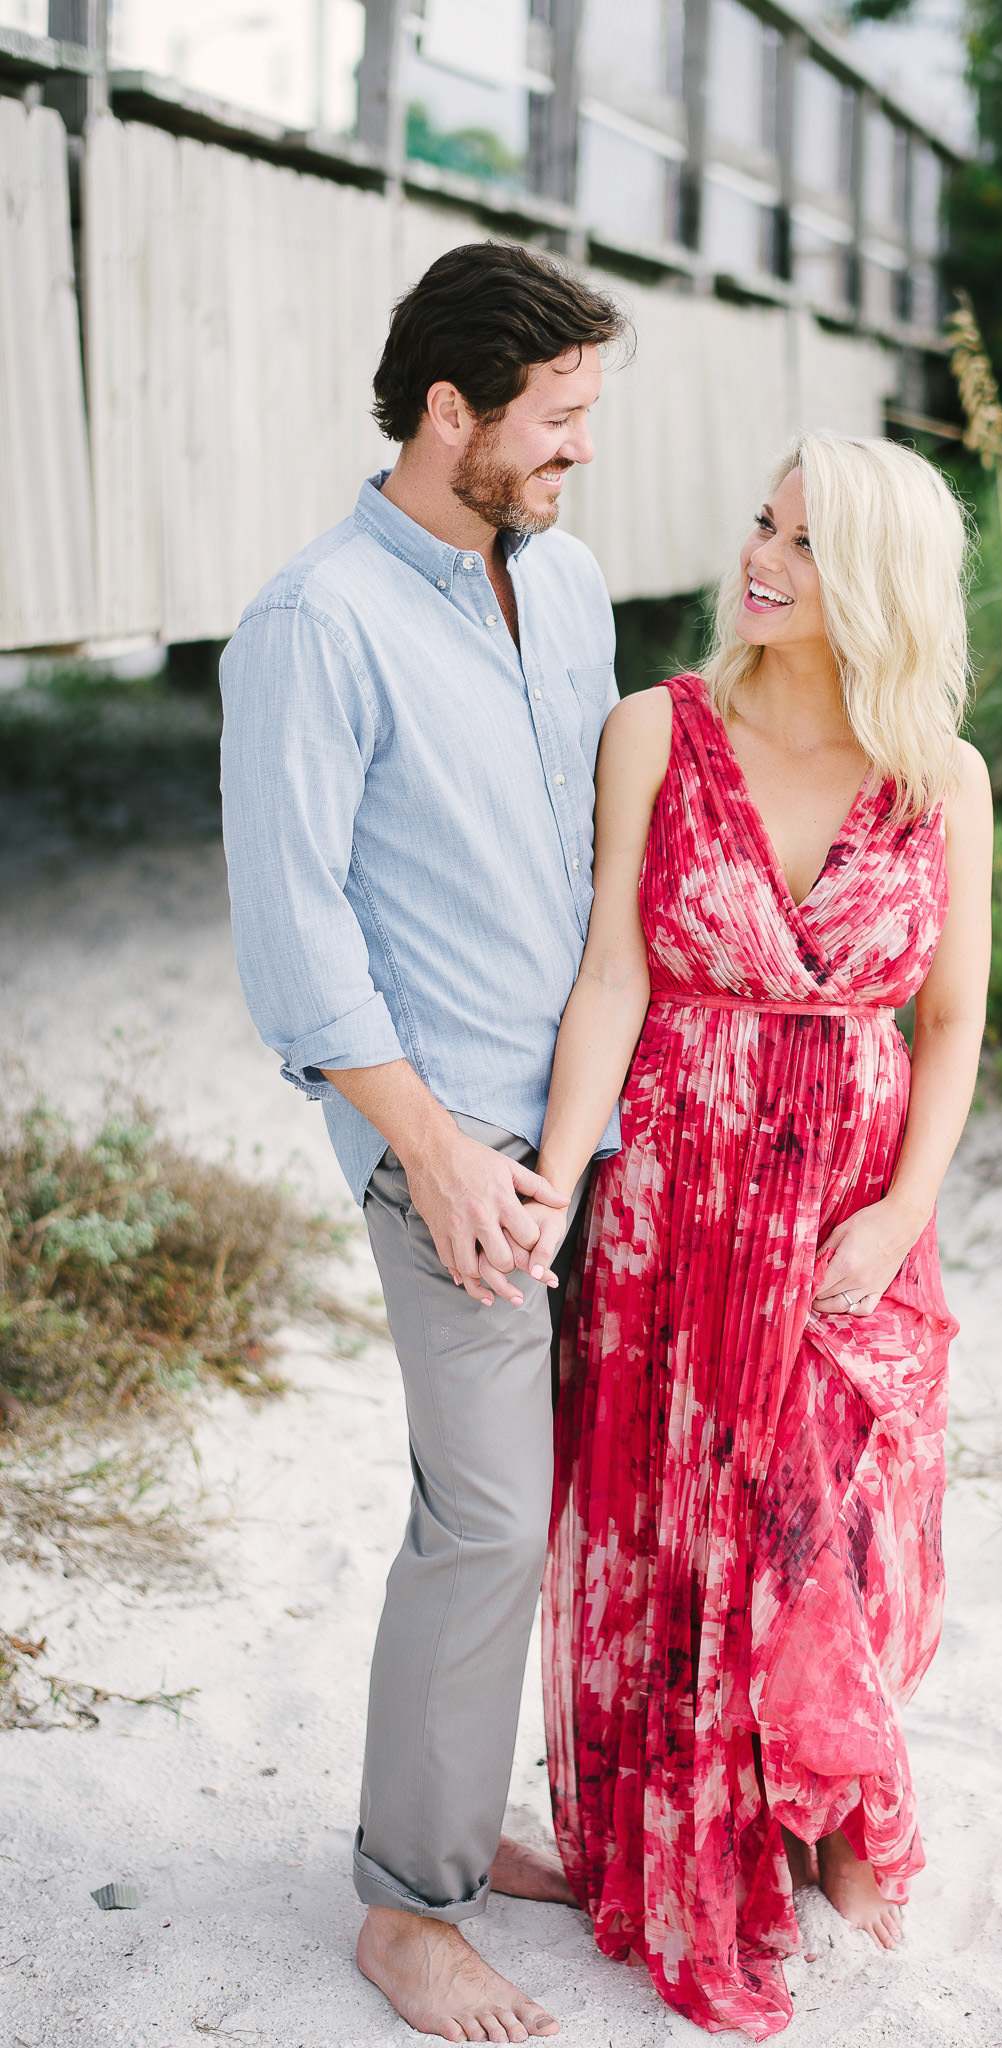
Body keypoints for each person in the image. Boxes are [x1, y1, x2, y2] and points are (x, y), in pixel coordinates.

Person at [519, 432, 993, 2037]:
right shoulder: (658, 730)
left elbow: (952, 1025)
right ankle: (715, 1827)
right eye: (762, 521)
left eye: (802, 537)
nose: (761, 554)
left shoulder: (944, 782)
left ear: (875, 577)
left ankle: (837, 1809)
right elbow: (612, 979)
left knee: (836, 1517)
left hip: (854, 1212)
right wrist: (560, 1179)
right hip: (674, 1204)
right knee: (683, 1528)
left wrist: (901, 1213)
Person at [219, 240, 630, 2045]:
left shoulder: (579, 583)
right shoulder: (315, 625)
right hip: (444, 1146)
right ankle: (408, 1907)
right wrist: (445, 1155)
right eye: (555, 423)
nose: (579, 456)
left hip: (590, 1133)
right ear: (448, 411)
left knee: (538, 1509)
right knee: (484, 1519)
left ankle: (461, 1824)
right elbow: (295, 940)